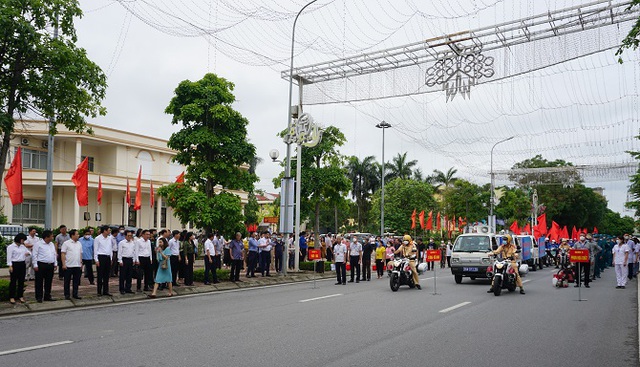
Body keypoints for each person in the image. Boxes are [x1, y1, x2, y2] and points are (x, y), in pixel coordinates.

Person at [32, 230, 58, 302]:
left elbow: (54, 254)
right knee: (39, 281)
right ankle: (39, 297)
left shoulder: (51, 244)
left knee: (48, 281)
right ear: (47, 237)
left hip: (50, 265)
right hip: (41, 264)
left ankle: (47, 296)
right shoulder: (38, 244)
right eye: (51, 236)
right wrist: (35, 264)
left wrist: (55, 263)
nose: (52, 237)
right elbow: (34, 255)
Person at [6, 233, 29, 304]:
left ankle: (20, 296)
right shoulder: (11, 247)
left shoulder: (23, 247)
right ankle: (12, 297)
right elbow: (9, 257)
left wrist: (27, 253)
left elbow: (29, 252)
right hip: (14, 264)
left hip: (22, 264)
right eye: (23, 240)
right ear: (19, 239)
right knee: (13, 281)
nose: (23, 241)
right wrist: (10, 266)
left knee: (21, 281)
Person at [61, 229, 83, 300]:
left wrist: (81, 262)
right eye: (77, 234)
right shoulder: (66, 243)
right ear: (72, 235)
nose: (78, 235)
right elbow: (63, 254)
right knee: (67, 281)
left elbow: (80, 254)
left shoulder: (79, 243)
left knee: (76, 281)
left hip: (77, 265)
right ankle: (67, 295)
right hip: (68, 265)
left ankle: (75, 294)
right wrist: (64, 264)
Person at [94, 225, 113, 297]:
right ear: (104, 231)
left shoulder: (109, 238)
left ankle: (106, 291)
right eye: (108, 230)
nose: (109, 232)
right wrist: (96, 259)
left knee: (106, 275)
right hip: (101, 257)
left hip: (108, 257)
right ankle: (99, 291)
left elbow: (110, 248)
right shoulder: (98, 238)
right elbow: (95, 249)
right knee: (100, 275)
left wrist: (111, 258)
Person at [118, 230, 138, 294]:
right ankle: (122, 289)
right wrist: (120, 260)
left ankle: (128, 288)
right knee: (122, 275)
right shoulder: (122, 243)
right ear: (125, 236)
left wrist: (134, 259)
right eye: (128, 235)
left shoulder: (133, 243)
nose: (130, 237)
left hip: (130, 259)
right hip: (124, 259)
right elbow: (120, 252)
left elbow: (134, 252)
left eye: (131, 236)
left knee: (129, 275)